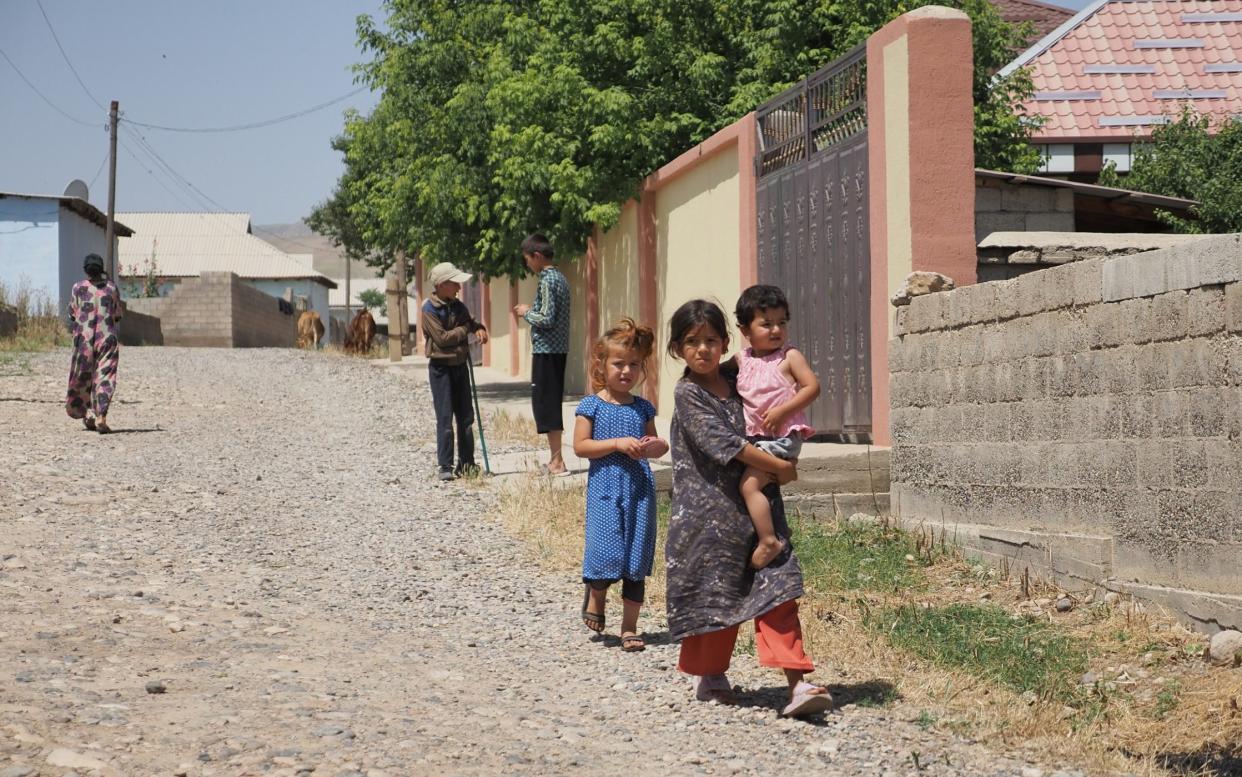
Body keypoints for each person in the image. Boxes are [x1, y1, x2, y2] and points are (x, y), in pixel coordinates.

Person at [664, 299, 832, 718]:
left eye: (710, 340)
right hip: (708, 516)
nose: (702, 350)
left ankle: (798, 682)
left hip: (757, 509)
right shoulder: (689, 393)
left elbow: (780, 390)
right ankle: (711, 674)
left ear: (725, 343)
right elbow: (725, 444)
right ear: (677, 349)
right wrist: (780, 467)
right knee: (717, 595)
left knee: (778, 589)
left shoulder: (739, 374)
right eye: (691, 342)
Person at [572, 318, 668, 652]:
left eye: (634, 364)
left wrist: (656, 447)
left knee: (636, 558)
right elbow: (581, 447)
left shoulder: (643, 406)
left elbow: (656, 443)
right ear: (601, 363)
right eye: (618, 363)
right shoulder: (591, 405)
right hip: (605, 490)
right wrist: (616, 444)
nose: (626, 371)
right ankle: (597, 594)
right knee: (604, 548)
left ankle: (629, 627)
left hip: (639, 491)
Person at [734, 285, 820, 568]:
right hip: (756, 437)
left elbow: (812, 387)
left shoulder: (789, 356)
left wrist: (784, 410)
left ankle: (769, 540)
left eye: (781, 322)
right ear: (745, 330)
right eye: (766, 323)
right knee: (755, 484)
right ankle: (776, 525)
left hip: (782, 436)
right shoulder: (742, 359)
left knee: (749, 487)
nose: (776, 330)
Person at [421, 261, 489, 481]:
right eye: (454, 283)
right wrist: (466, 329)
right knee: (445, 417)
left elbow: (471, 323)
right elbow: (441, 339)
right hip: (441, 369)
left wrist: (478, 329)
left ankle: (467, 464)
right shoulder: (429, 309)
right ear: (441, 285)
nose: (459, 288)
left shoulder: (458, 307)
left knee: (466, 418)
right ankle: (445, 466)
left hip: (460, 366)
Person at [513, 234, 571, 475]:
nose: (527, 264)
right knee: (548, 403)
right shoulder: (560, 277)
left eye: (527, 259)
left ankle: (557, 462)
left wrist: (526, 312)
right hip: (555, 350)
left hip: (547, 351)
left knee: (546, 406)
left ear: (536, 256)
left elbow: (547, 318)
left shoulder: (548, 280)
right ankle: (555, 460)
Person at [66, 253, 122, 434]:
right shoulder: (112, 288)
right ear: (102, 269)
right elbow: (117, 315)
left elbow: (72, 314)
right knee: (105, 376)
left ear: (86, 270)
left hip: (84, 340)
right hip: (107, 339)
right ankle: (101, 416)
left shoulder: (78, 288)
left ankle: (87, 413)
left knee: (83, 376)